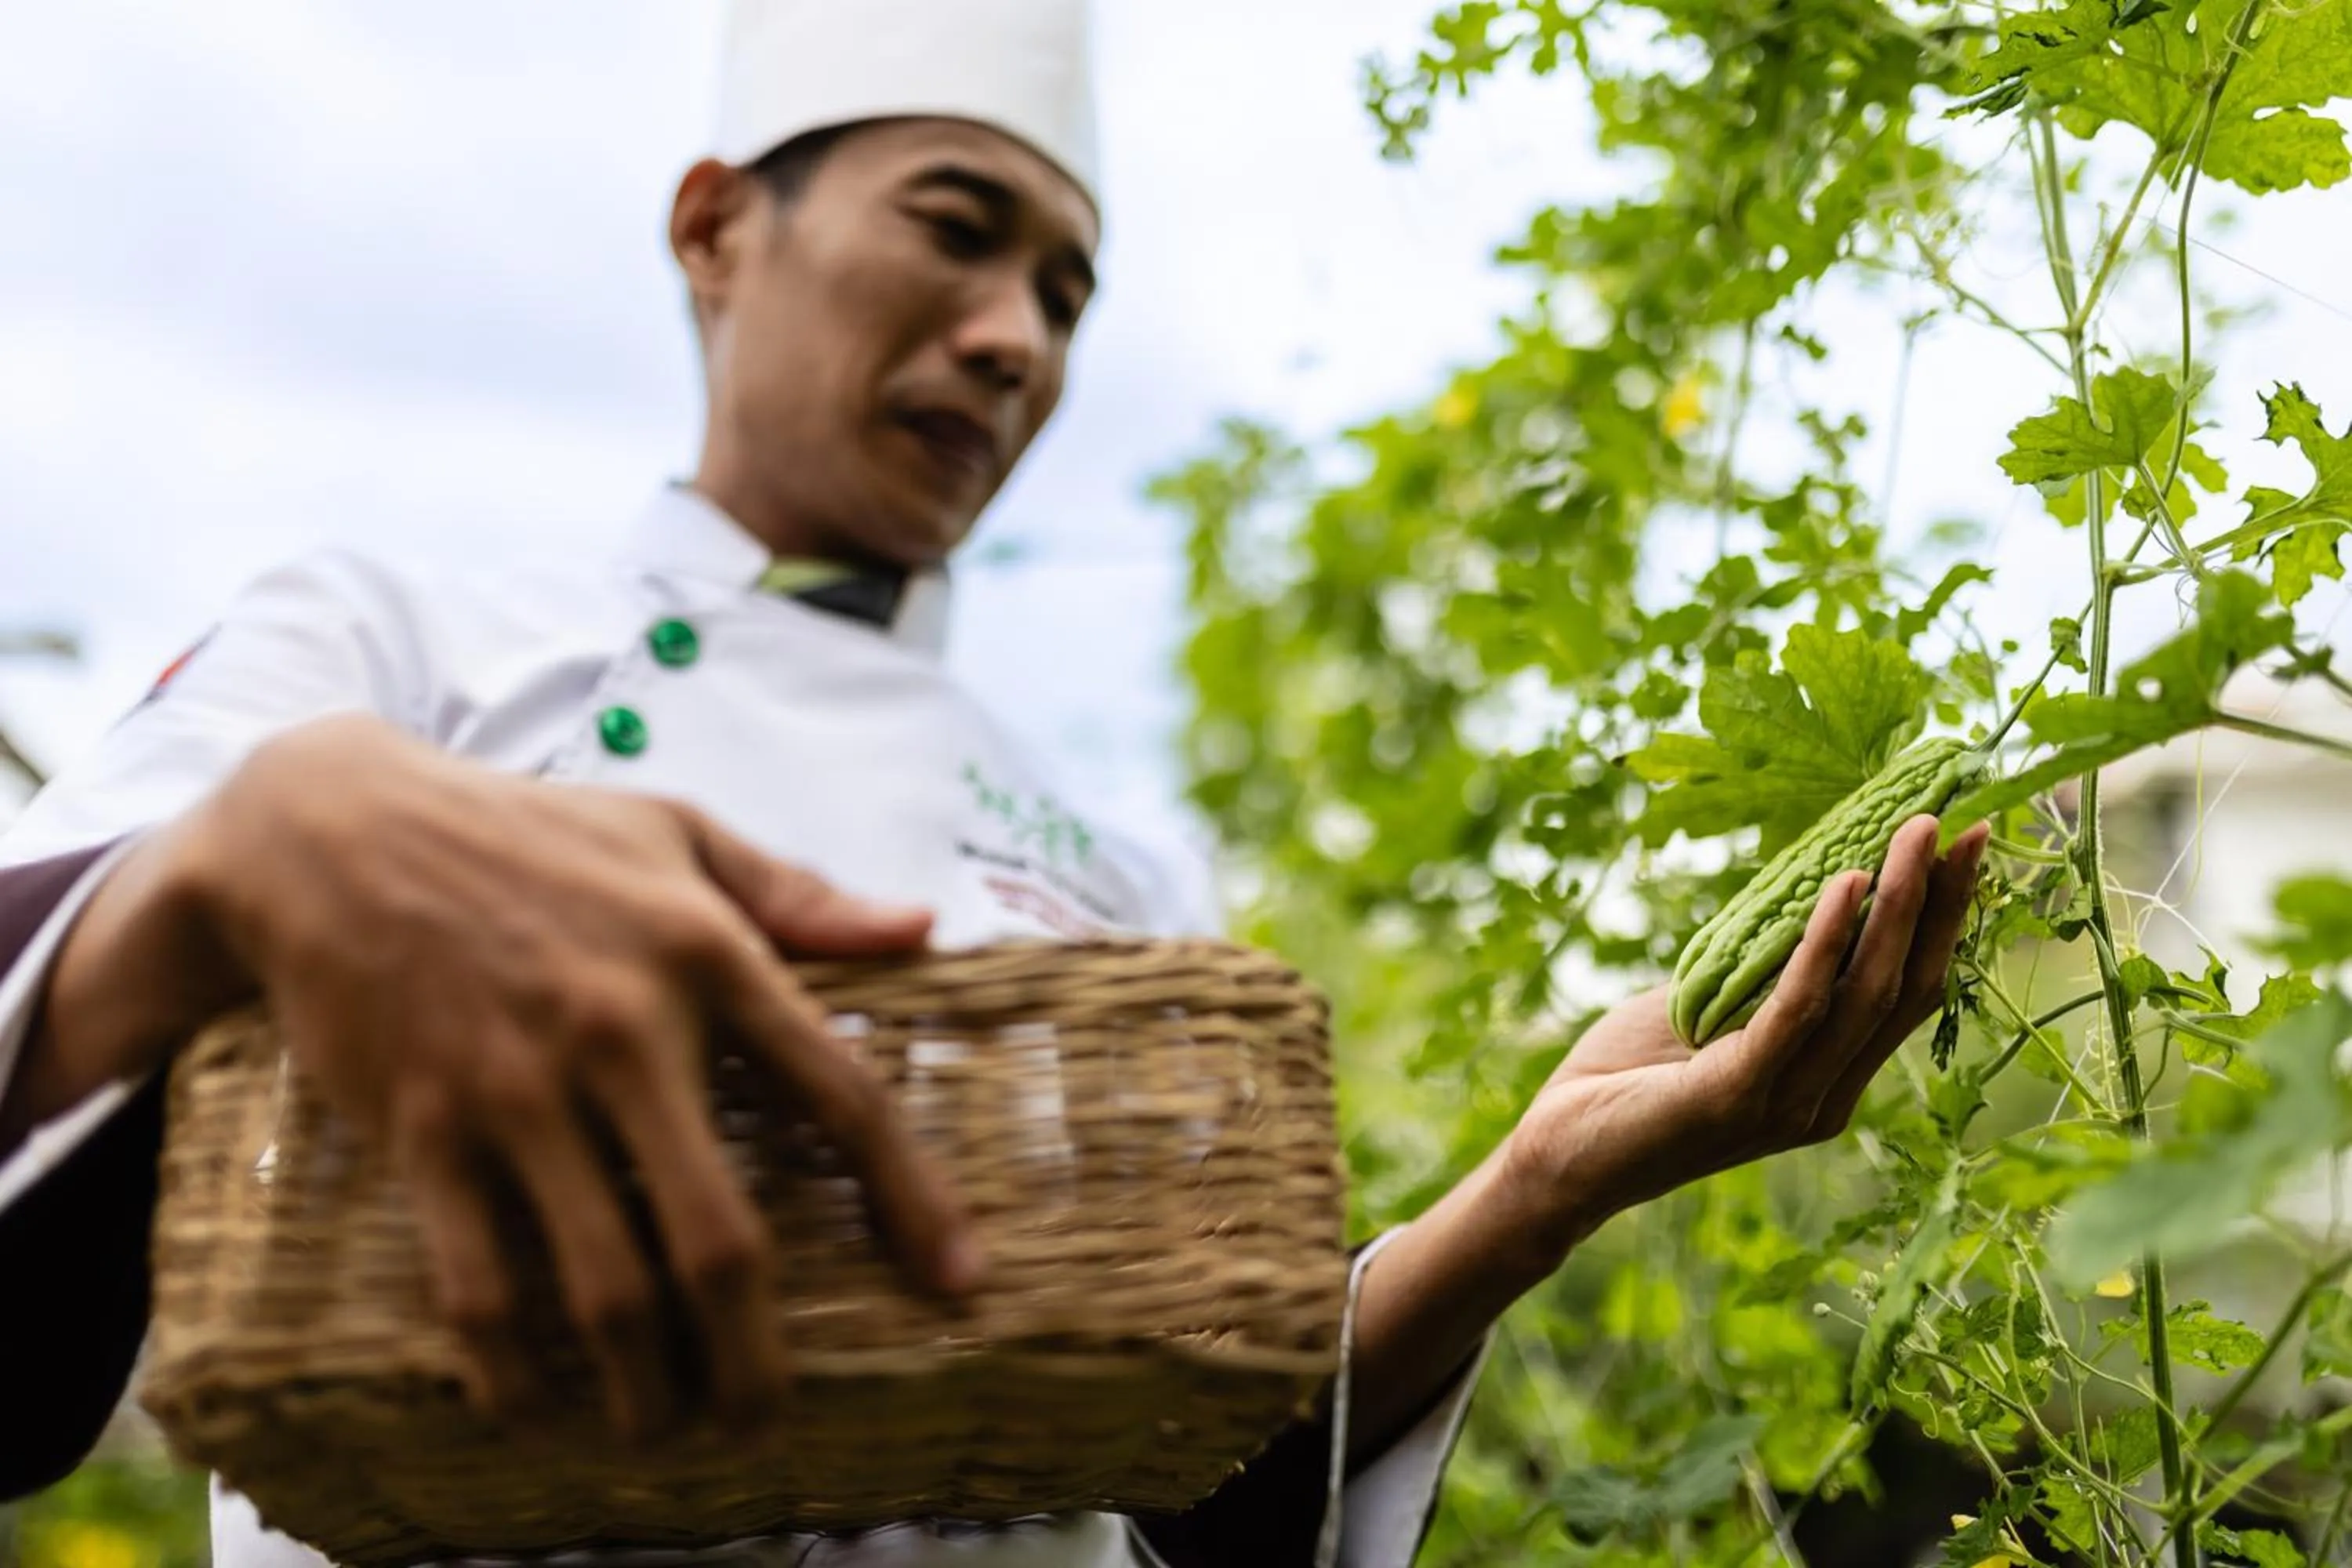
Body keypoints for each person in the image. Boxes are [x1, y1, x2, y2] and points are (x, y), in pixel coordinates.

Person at [0, 2, 1989, 1564]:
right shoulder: (395, 648)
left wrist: (1534, 1192)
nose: (1014, 337)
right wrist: (213, 883)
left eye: (1064, 293)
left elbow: (1177, 1479)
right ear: (715, 226)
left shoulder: (1119, 862)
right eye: (959, 231)